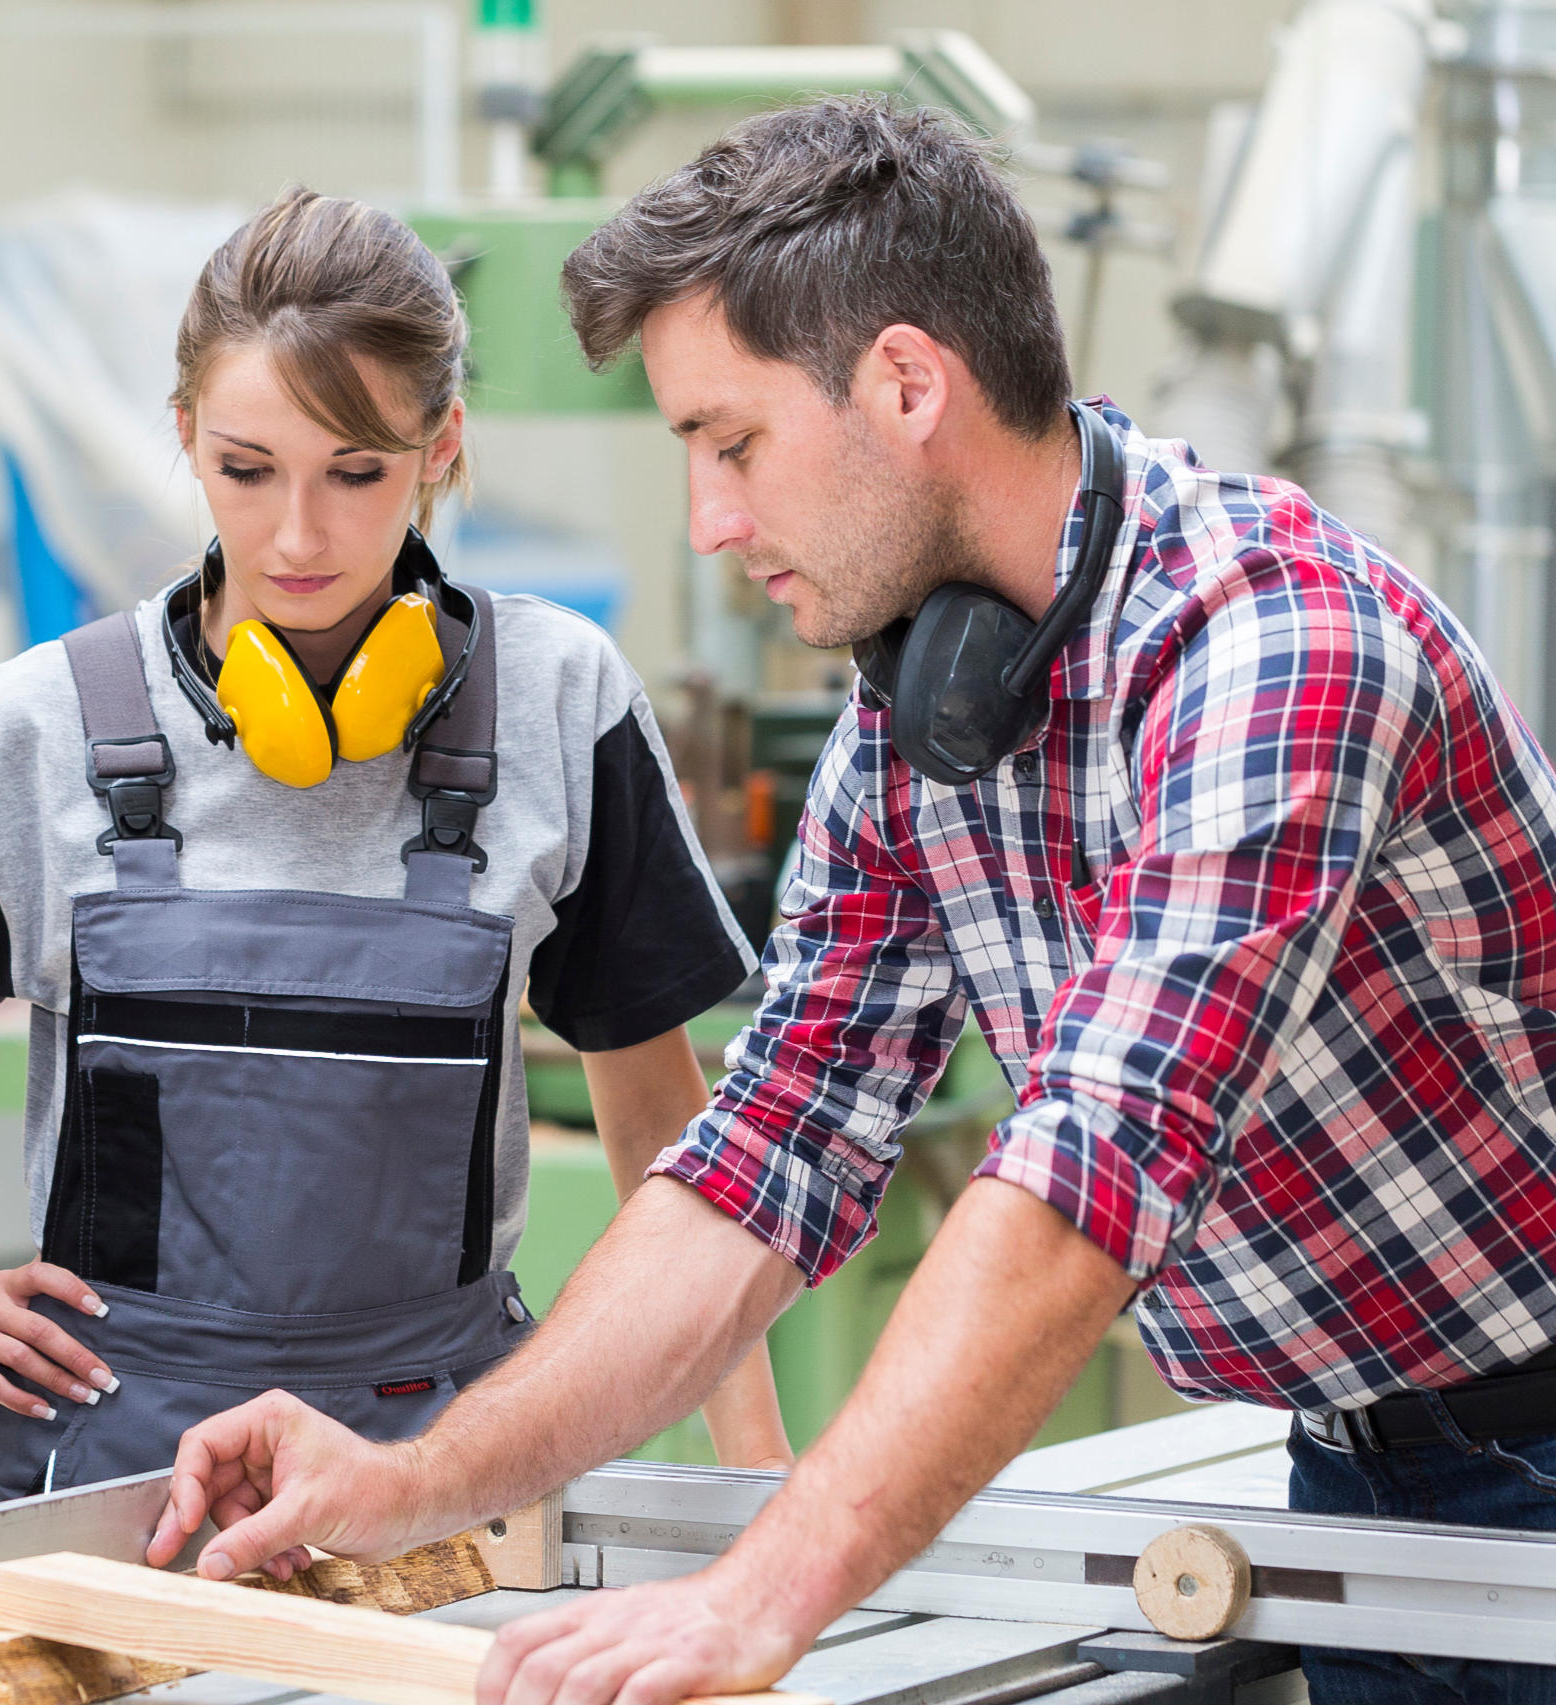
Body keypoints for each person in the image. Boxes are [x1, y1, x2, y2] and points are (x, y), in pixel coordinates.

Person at [145, 99, 1556, 1705]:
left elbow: (1086, 1183)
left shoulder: (1271, 652)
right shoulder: (918, 725)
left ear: (905, 386)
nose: (712, 523)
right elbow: (764, 1157)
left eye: (730, 443)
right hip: (1357, 1474)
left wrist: (763, 1594)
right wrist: (415, 1478)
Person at [0, 187, 792, 1508]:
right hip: (113, 1474)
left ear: (442, 447)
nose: (298, 537)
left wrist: (755, 1467)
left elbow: (658, 1110)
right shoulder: (45, 729)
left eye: (356, 472)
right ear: (186, 438)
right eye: (249, 470)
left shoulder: (557, 703)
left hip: (438, 1467)